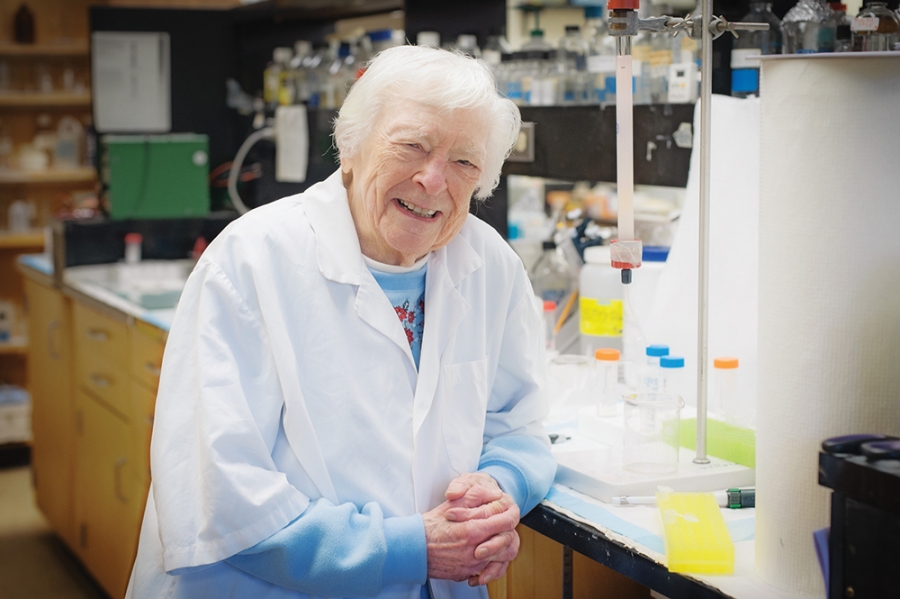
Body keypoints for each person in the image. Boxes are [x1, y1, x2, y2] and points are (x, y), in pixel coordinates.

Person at [126, 44, 556, 599]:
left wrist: (498, 488)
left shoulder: (489, 266)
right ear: (349, 149)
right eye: (412, 146)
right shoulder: (252, 260)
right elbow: (221, 493)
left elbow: (519, 422)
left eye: (464, 162)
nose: (432, 179)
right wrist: (411, 548)